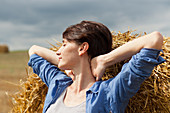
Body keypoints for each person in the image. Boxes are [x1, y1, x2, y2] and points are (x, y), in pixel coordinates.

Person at [28, 21, 165, 113]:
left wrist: (105, 60)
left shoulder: (110, 93)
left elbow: (154, 40)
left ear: (83, 48)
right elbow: (33, 50)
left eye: (64, 44)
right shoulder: (57, 84)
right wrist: (64, 65)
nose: (58, 51)